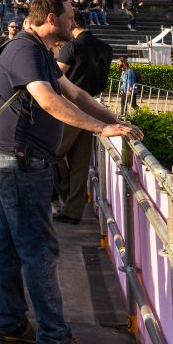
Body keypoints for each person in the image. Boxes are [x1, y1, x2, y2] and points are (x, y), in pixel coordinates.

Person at [0, 0, 141, 344]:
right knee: (39, 249)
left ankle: (11, 321)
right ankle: (54, 338)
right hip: (21, 162)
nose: (77, 20)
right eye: (71, 16)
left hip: (19, 160)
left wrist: (113, 121)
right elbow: (49, 101)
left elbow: (74, 93)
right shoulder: (24, 50)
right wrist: (102, 129)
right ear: (52, 19)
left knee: (9, 244)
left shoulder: (40, 50)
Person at [51, 21, 114, 225]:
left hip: (69, 106)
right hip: (91, 106)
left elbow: (55, 76)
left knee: (52, 154)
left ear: (73, 24)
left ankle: (68, 194)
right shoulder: (106, 48)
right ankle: (73, 210)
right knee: (80, 161)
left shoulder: (72, 46)